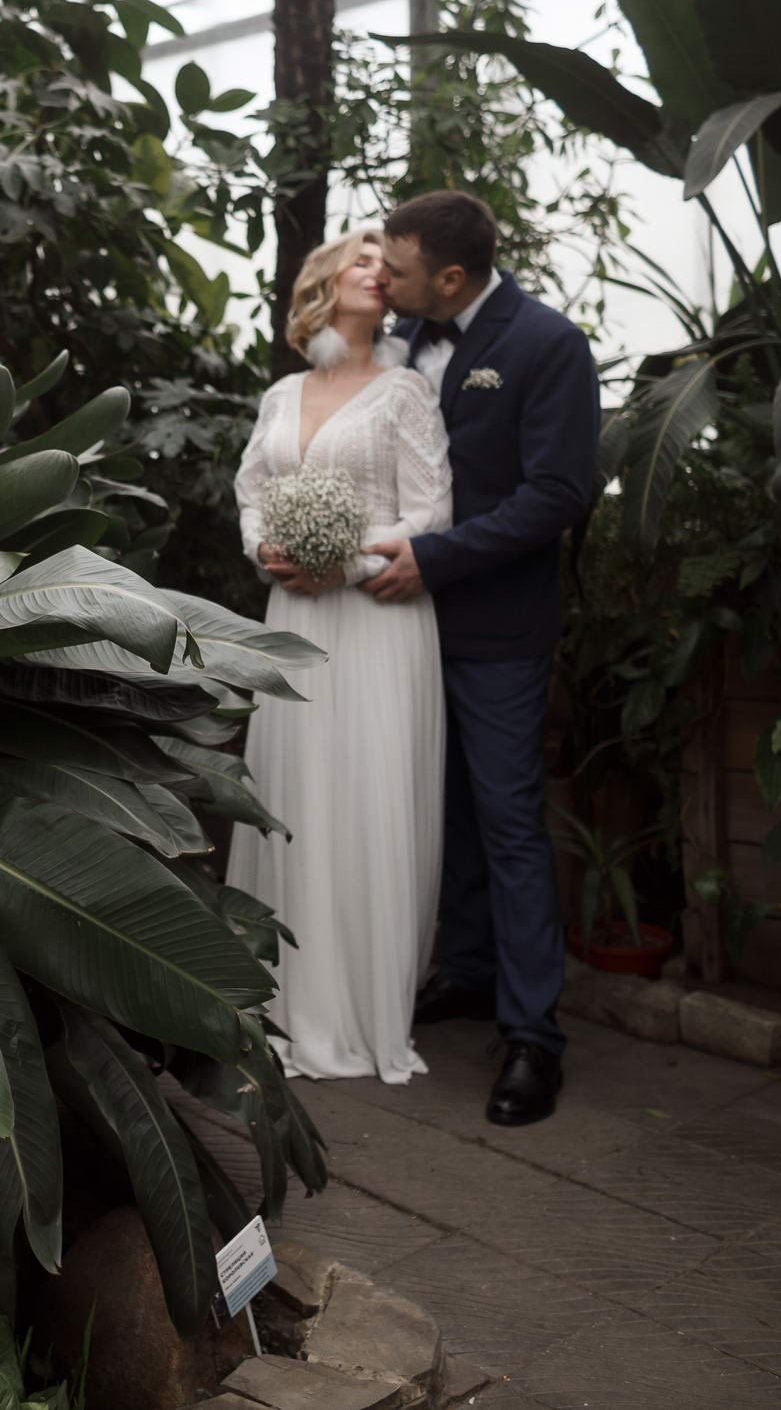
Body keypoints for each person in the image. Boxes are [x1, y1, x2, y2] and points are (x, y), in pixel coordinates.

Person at [358, 189, 600, 1128]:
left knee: (506, 818)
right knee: (441, 807)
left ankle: (534, 1034)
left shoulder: (548, 345)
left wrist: (436, 559)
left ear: (451, 278)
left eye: (403, 268)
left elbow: (559, 494)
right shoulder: (401, 341)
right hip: (404, 626)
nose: (385, 278)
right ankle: (464, 972)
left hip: (496, 627)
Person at [227, 227, 453, 1084]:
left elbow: (431, 511)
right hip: (293, 615)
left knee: (367, 800)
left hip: (376, 620)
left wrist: (347, 559)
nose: (377, 272)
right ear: (324, 283)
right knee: (294, 798)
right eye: (360, 260)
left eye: (383, 265)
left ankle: (360, 1012)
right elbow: (253, 493)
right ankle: (282, 997)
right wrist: (268, 554)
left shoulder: (406, 391)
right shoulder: (283, 394)